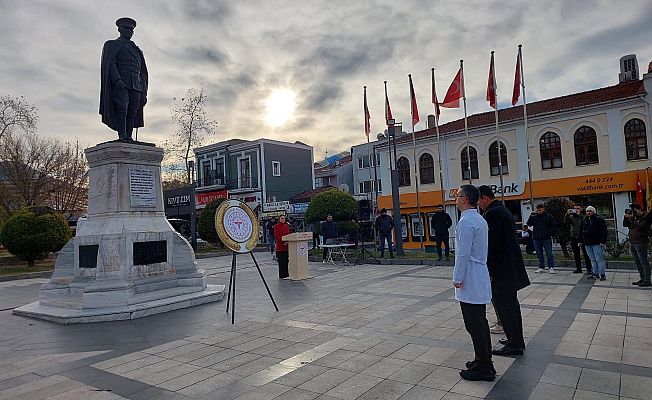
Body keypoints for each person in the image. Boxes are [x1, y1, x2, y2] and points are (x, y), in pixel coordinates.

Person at [478, 186, 530, 356]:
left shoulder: (493, 214)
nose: (479, 204)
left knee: (506, 307)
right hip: (510, 266)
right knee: (511, 306)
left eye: (479, 201)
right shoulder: (502, 210)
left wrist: (487, 268)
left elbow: (492, 245)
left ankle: (515, 344)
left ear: (485, 198)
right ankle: (515, 338)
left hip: (502, 269)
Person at [453, 185, 495, 381]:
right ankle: (483, 359)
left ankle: (485, 366)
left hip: (470, 275)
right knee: (479, 322)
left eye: (458, 195)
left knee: (474, 324)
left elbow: (463, 254)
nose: (456, 198)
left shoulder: (466, 222)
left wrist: (457, 278)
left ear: (464, 199)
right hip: (477, 273)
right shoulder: (478, 218)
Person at [100, 17, 148, 141]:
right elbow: (111, 64)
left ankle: (129, 136)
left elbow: (143, 70)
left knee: (133, 111)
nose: (129, 31)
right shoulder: (112, 45)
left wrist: (143, 86)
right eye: (126, 28)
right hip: (121, 83)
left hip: (136, 85)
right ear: (120, 29)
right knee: (122, 108)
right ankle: (122, 135)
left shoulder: (137, 49)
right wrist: (117, 80)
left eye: (131, 30)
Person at [623, 203, 652, 287]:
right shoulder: (634, 217)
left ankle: (647, 280)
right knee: (637, 262)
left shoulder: (646, 217)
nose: (634, 212)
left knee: (643, 262)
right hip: (633, 242)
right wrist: (626, 217)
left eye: (635, 210)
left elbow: (640, 227)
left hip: (641, 242)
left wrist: (632, 219)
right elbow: (625, 225)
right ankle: (642, 278)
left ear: (639, 209)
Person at [579, 206, 608, 281]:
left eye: (590, 211)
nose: (588, 212)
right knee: (592, 259)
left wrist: (603, 241)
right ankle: (595, 273)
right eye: (587, 211)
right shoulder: (584, 220)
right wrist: (580, 241)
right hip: (587, 243)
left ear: (593, 212)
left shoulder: (599, 220)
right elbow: (581, 231)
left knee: (599, 258)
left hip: (597, 242)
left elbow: (604, 231)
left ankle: (602, 274)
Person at [526, 204, 557, 273]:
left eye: (540, 210)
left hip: (546, 238)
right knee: (539, 253)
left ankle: (551, 267)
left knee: (549, 253)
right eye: (537, 210)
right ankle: (541, 266)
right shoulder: (534, 217)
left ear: (543, 209)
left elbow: (554, 226)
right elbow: (529, 224)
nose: (538, 211)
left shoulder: (549, 217)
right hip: (536, 238)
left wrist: (549, 233)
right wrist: (531, 216)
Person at [565, 205, 593, 274]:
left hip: (583, 237)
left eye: (578, 208)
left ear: (581, 209)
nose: (576, 210)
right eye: (574, 209)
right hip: (574, 237)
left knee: (586, 254)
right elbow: (566, 223)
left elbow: (585, 222)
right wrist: (567, 214)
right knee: (576, 254)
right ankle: (578, 268)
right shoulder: (571, 217)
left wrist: (579, 215)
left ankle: (589, 268)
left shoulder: (584, 216)